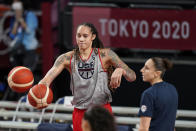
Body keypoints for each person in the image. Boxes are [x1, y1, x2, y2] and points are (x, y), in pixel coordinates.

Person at [39, 22, 136, 131]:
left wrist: (120, 69)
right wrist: (39, 91)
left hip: (102, 111)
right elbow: (46, 80)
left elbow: (132, 76)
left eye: (85, 36)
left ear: (93, 37)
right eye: (78, 35)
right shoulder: (66, 58)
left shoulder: (106, 54)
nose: (81, 39)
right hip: (80, 113)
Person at [138, 57, 178, 131]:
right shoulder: (172, 89)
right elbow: (171, 125)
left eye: (146, 68)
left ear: (157, 73)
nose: (141, 70)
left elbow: (143, 129)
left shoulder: (148, 94)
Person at [9, 0, 38, 71]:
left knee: (27, 72)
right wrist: (16, 21)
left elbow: (29, 31)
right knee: (17, 72)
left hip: (29, 49)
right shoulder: (14, 18)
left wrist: (21, 20)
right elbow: (12, 35)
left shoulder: (30, 15)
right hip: (18, 49)